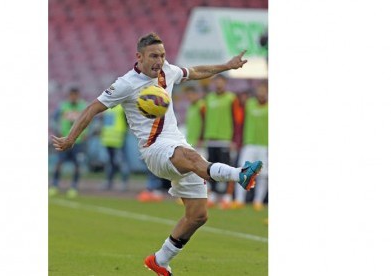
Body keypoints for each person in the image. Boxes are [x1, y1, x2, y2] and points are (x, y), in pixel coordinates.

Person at [52, 33, 263, 276]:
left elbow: (194, 71)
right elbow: (92, 108)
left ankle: (159, 260)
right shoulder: (125, 84)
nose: (159, 61)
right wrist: (71, 138)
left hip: (176, 143)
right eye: (154, 56)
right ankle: (240, 174)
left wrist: (226, 66)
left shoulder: (167, 72)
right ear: (139, 57)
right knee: (192, 158)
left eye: (162, 55)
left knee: (197, 215)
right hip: (154, 150)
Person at [202, 75, 241, 209]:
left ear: (225, 83)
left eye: (221, 82)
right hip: (211, 139)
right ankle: (212, 195)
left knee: (228, 168)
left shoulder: (231, 98)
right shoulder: (208, 98)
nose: (219, 84)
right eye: (216, 82)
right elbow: (204, 119)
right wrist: (202, 137)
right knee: (210, 169)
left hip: (225, 140)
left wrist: (234, 139)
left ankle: (227, 196)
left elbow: (237, 120)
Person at [234, 81, 269, 211]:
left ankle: (258, 201)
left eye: (264, 90)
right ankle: (239, 200)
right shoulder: (249, 104)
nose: (261, 93)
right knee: (243, 171)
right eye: (259, 90)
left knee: (263, 174)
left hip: (265, 145)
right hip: (248, 143)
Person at [49, 87, 88, 198]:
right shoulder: (63, 106)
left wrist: (86, 133)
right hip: (64, 140)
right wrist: (58, 130)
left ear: (78, 95)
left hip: (78, 141)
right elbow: (53, 119)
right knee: (59, 163)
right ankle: (54, 185)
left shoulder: (83, 106)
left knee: (77, 164)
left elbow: (91, 120)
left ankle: (74, 187)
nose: (73, 97)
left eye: (75, 95)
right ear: (69, 95)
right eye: (71, 95)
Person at [100, 104, 130, 191]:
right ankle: (109, 182)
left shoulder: (121, 108)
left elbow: (127, 122)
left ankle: (123, 182)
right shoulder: (108, 107)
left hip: (119, 139)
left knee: (121, 162)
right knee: (110, 162)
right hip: (108, 139)